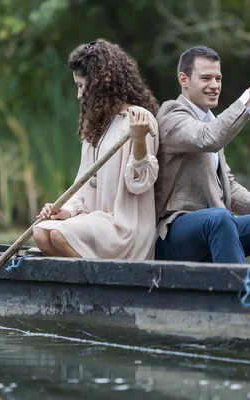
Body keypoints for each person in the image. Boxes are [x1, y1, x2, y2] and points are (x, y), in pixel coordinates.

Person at [154, 46, 250, 264]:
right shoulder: (172, 115)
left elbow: (228, 187)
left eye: (218, 78)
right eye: (206, 78)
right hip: (175, 233)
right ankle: (236, 294)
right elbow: (209, 138)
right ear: (183, 79)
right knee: (220, 218)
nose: (214, 86)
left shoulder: (211, 121)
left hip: (219, 226)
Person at [33, 39, 160, 260]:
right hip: (94, 224)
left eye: (82, 86)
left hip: (124, 227)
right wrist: (66, 210)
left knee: (58, 236)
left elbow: (139, 184)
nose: (79, 95)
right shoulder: (96, 127)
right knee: (41, 232)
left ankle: (102, 280)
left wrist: (139, 141)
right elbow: (82, 187)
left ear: (100, 83)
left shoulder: (139, 118)